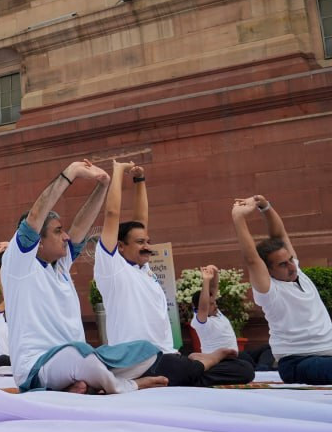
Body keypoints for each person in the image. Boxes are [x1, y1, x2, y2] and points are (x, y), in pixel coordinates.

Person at [3, 160, 168, 394]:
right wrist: (70, 173)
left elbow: (81, 225)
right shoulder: (20, 264)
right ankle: (125, 385)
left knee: (147, 351)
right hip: (37, 367)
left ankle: (83, 385)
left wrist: (103, 186)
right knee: (78, 355)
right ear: (38, 241)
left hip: (79, 358)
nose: (66, 236)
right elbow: (37, 214)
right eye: (58, 231)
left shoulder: (60, 265)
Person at [94, 163, 250, 386]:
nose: (147, 246)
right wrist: (118, 171)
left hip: (166, 356)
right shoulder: (112, 267)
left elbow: (141, 220)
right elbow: (111, 214)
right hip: (137, 361)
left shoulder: (144, 269)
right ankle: (205, 362)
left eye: (148, 241)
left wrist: (140, 181)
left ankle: (184, 373)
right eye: (140, 242)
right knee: (187, 369)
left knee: (243, 368)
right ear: (120, 246)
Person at [232, 195, 332, 383]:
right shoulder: (270, 292)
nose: (292, 266)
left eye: (290, 260)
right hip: (298, 363)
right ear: (268, 270)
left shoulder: (296, 272)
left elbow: (279, 235)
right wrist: (238, 217)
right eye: (283, 265)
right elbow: (252, 259)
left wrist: (265, 206)